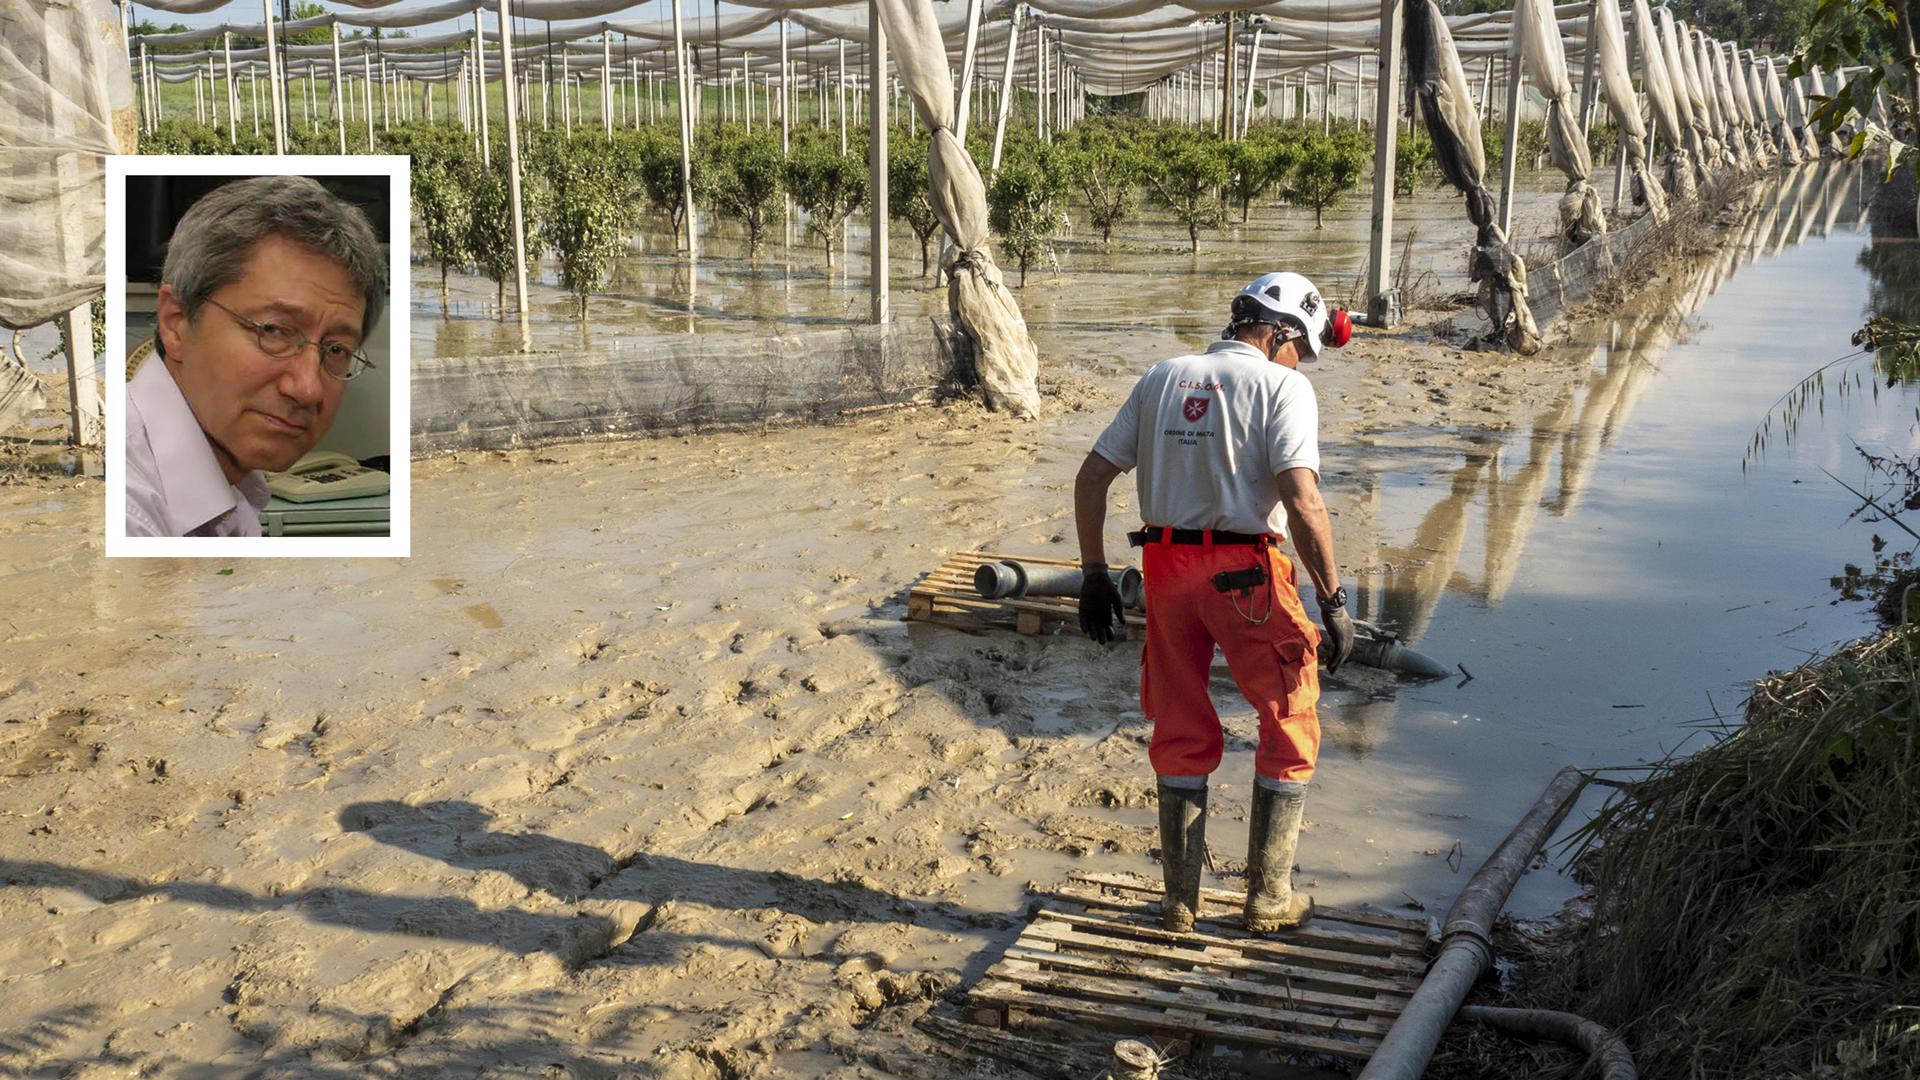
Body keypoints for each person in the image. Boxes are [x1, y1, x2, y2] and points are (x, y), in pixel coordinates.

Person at [1073, 272, 1356, 934]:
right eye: (1301, 349)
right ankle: (1268, 899)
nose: (1301, 362)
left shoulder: (1162, 376)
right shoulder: (1283, 387)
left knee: (1179, 724)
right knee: (1290, 714)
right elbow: (1302, 500)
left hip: (1166, 569)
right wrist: (1333, 598)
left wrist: (1093, 572)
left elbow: (1092, 476)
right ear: (1279, 333)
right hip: (1246, 575)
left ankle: (1179, 902)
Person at [125, 175, 385, 537]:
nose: (308, 389)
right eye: (273, 331)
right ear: (177, 321)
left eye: (336, 350)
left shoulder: (240, 490)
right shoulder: (129, 513)